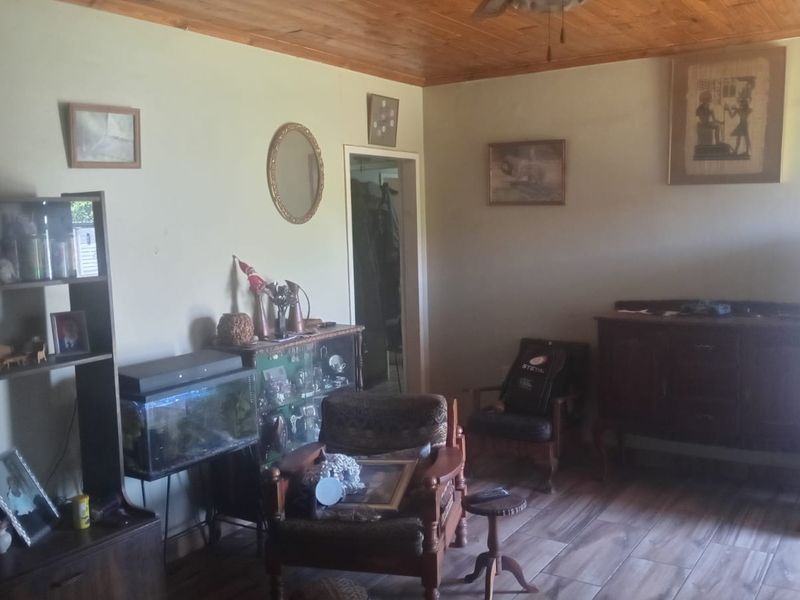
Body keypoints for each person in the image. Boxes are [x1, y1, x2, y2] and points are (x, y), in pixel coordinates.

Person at [726, 90, 752, 156]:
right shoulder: (739, 109)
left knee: (746, 137)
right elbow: (731, 116)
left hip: (744, 124)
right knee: (739, 137)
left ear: (745, 103)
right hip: (741, 124)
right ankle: (736, 151)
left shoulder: (746, 110)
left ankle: (745, 151)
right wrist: (729, 109)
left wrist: (737, 109)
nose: (741, 104)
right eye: (741, 103)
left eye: (742, 103)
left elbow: (745, 113)